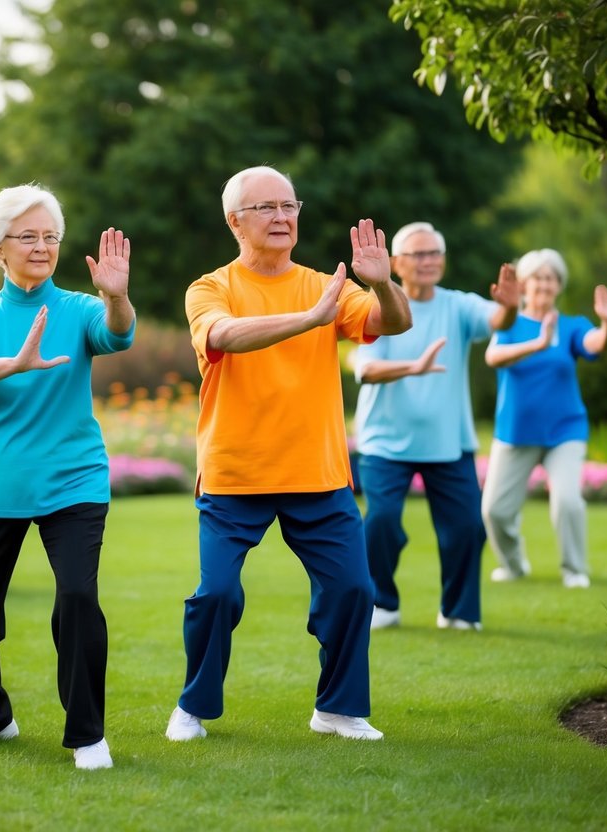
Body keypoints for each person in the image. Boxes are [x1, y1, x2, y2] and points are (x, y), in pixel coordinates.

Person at [165, 165, 411, 745]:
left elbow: (394, 321)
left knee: (354, 589)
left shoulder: (326, 284)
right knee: (217, 594)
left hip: (316, 471)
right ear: (235, 222)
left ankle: (338, 709)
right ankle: (192, 706)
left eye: (289, 205)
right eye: (266, 208)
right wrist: (308, 320)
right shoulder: (210, 287)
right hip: (235, 473)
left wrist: (381, 283)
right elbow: (222, 336)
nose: (282, 217)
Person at [0, 184, 134, 770]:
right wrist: (16, 364)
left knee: (76, 596)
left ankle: (88, 734)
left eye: (51, 237)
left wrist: (117, 298)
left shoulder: (78, 309)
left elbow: (117, 333)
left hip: (73, 480)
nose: (43, 247)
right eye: (29, 236)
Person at [351, 221, 519, 632]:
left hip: (448, 442)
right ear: (396, 263)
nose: (428, 262)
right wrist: (414, 367)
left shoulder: (458, 305)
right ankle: (382, 603)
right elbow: (367, 370)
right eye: (418, 254)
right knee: (381, 522)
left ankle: (459, 611)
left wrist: (511, 306)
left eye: (434, 254)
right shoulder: (385, 304)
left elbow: (498, 319)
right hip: (384, 443)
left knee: (466, 528)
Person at [481, 248, 607, 589]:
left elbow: (595, 343)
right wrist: (538, 345)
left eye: (551, 278)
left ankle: (575, 569)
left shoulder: (571, 326)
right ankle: (513, 565)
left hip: (564, 430)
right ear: (523, 285)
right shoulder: (509, 321)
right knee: (495, 511)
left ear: (559, 285)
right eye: (538, 277)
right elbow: (493, 356)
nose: (545, 283)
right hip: (515, 431)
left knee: (568, 500)